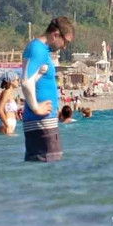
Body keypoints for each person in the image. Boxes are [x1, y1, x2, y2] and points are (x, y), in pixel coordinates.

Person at [20, 17, 74, 162]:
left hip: (43, 123)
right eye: (65, 42)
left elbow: (31, 79)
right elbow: (25, 81)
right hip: (41, 123)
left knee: (46, 170)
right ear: (55, 34)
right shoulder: (37, 49)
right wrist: (36, 108)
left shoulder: (39, 50)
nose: (64, 47)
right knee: (48, 168)